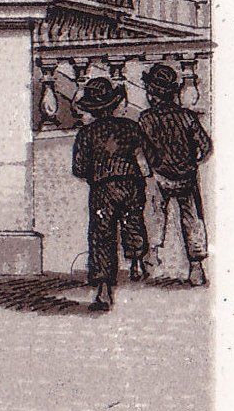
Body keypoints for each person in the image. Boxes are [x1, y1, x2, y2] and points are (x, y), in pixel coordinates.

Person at [70, 77, 151, 309]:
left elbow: (78, 169)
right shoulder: (130, 126)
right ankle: (136, 262)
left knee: (101, 234)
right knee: (133, 220)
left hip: (102, 187)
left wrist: (95, 174)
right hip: (130, 182)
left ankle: (104, 289)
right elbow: (144, 154)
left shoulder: (86, 134)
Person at [137, 62, 211, 285]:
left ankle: (151, 260)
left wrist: (150, 168)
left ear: (152, 94)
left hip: (159, 176)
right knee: (193, 221)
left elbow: (141, 150)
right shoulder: (187, 117)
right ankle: (196, 268)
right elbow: (206, 146)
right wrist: (193, 161)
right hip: (186, 176)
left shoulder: (145, 119)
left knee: (154, 217)